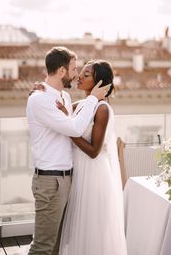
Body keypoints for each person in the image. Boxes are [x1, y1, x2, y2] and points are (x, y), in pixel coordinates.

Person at [26, 47, 110, 255]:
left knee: (57, 244)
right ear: (62, 71)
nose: (76, 75)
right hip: (50, 181)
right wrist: (93, 98)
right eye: (74, 69)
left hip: (66, 180)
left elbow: (73, 123)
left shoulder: (62, 97)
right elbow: (74, 128)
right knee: (43, 246)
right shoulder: (40, 99)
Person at [58, 60, 127, 255]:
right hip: (79, 171)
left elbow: (94, 151)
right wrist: (41, 90)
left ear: (99, 83)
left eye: (86, 75)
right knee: (78, 229)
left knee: (91, 229)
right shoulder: (81, 104)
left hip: (94, 175)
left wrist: (68, 129)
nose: (79, 76)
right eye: (81, 72)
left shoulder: (102, 109)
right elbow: (58, 108)